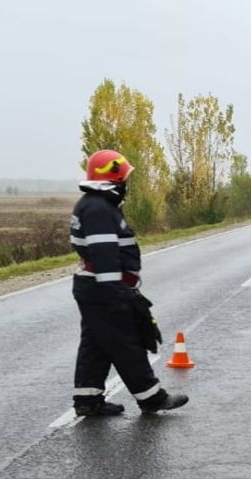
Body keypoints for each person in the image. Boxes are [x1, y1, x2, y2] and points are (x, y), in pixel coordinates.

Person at [70, 149, 188, 415]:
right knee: (127, 342)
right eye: (123, 178)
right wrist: (118, 294)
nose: (126, 183)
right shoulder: (98, 208)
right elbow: (104, 256)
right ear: (113, 178)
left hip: (94, 287)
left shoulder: (94, 204)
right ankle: (152, 398)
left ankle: (87, 399)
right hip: (104, 289)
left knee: (95, 343)